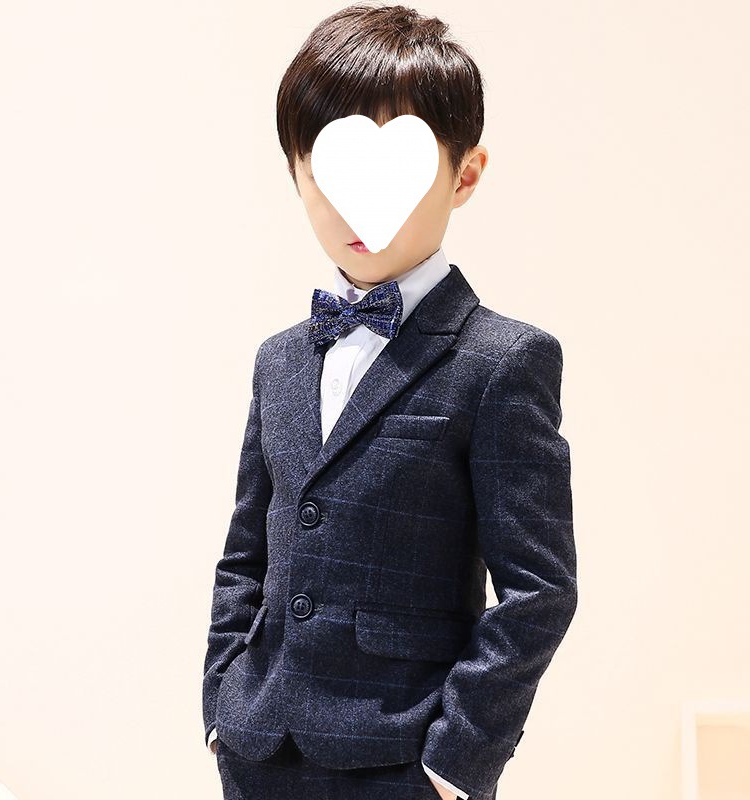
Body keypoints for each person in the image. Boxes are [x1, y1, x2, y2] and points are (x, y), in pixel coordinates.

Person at [202, 4, 578, 799]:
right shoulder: (278, 360)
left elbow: (539, 590)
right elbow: (246, 553)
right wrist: (221, 702)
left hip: (401, 760)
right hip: (257, 750)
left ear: (465, 174)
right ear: (297, 172)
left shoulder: (502, 361)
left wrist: (453, 762)